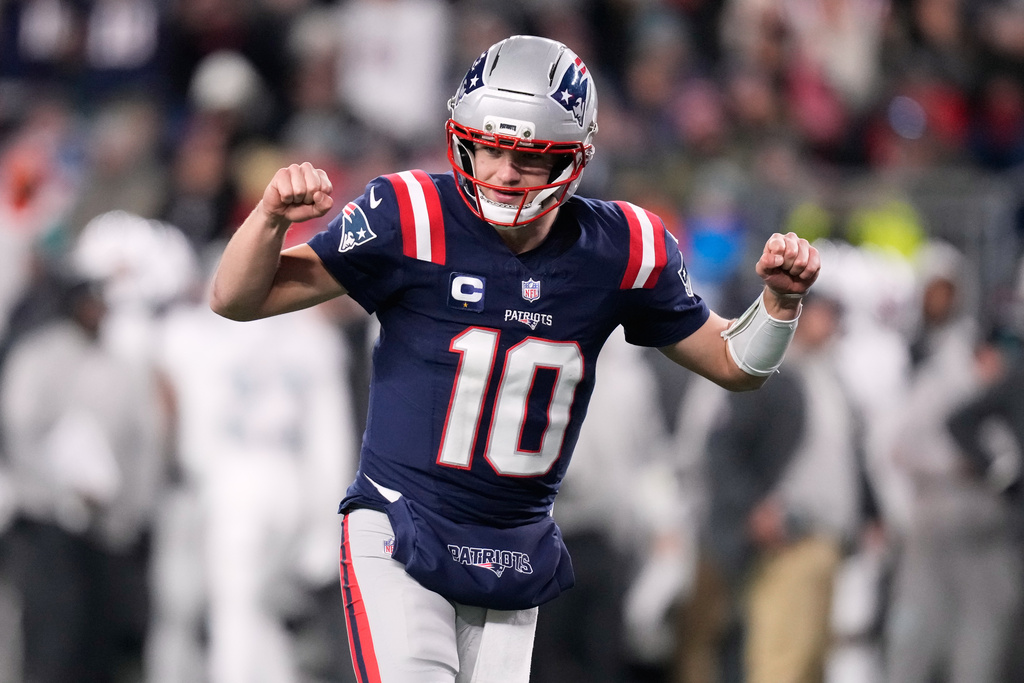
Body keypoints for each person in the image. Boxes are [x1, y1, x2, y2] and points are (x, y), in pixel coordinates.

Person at [209, 35, 820, 683]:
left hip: (512, 549)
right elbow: (237, 297)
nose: (503, 171)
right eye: (490, 146)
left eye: (528, 156)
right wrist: (269, 218)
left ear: (574, 157)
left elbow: (735, 364)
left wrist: (779, 303)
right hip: (401, 527)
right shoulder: (411, 214)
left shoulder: (623, 248)